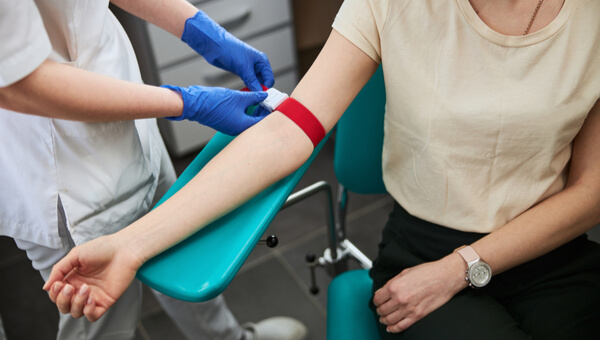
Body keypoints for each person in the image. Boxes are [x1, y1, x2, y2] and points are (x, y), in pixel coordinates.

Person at [42, 0, 600, 338]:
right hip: (425, 249)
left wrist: (463, 267)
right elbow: (290, 131)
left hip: (547, 245)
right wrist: (131, 244)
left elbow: (591, 191)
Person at [0, 0, 308, 339]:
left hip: (128, 114)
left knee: (181, 254)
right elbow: (16, 83)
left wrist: (202, 29)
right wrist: (187, 103)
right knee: (102, 322)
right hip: (65, 172)